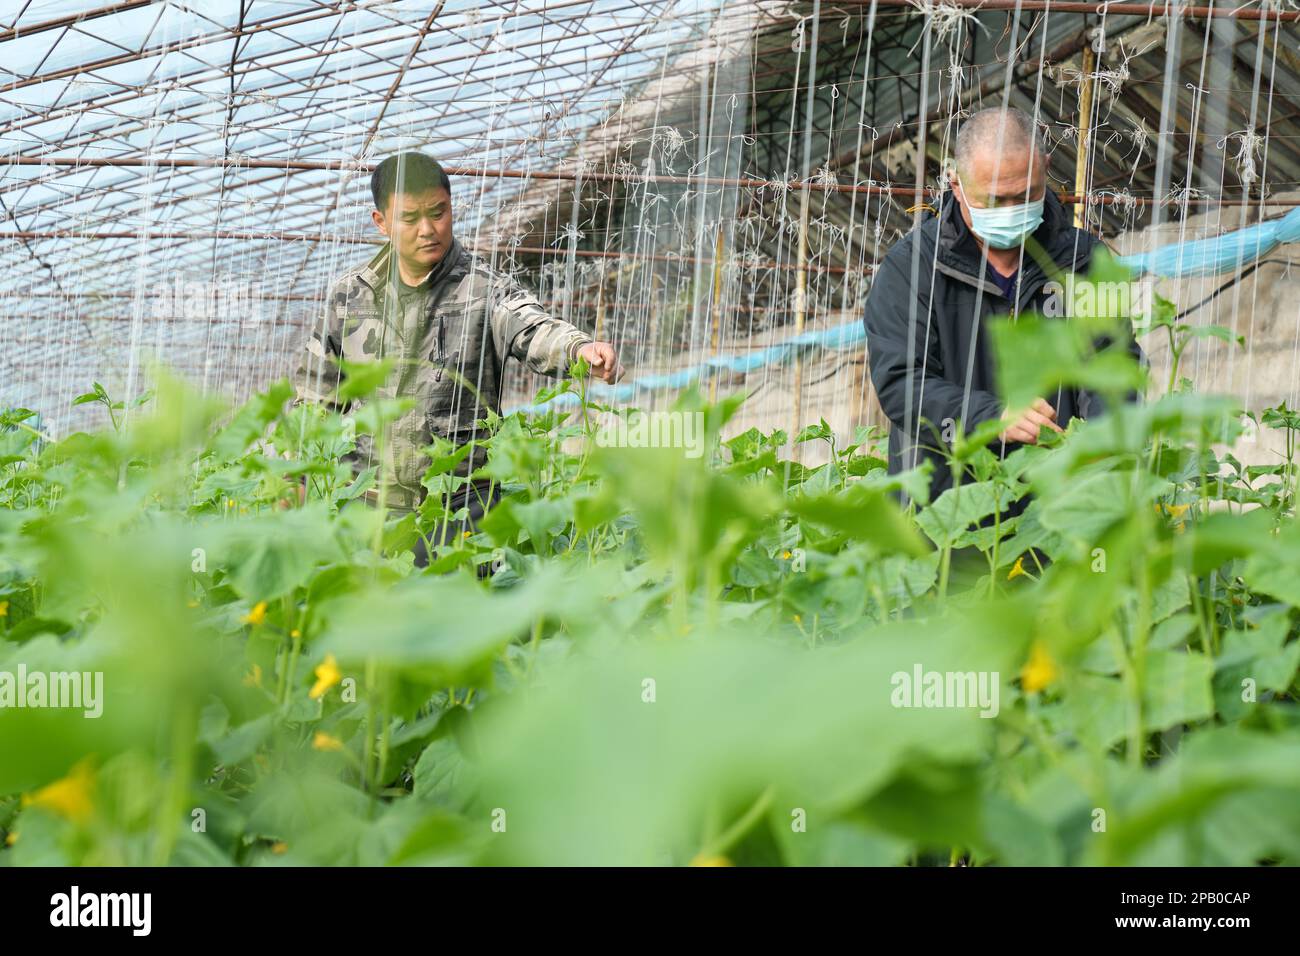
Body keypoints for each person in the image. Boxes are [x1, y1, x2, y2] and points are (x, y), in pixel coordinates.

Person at [292, 151, 624, 567]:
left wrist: (578, 349)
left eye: (439, 212)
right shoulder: (351, 296)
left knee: (466, 621)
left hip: (463, 507)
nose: (428, 229)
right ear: (382, 223)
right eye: (410, 218)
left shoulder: (484, 288)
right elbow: (313, 400)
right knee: (370, 623)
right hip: (369, 507)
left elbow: (531, 327)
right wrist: (293, 480)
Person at [863, 106, 1143, 512]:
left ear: (1046, 168)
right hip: (945, 513)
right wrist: (990, 417)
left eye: (1026, 194)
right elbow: (901, 383)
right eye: (994, 198)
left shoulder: (1084, 262)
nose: (1011, 209)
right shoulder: (913, 268)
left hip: (1057, 508)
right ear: (955, 184)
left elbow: (1112, 365)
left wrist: (1101, 446)